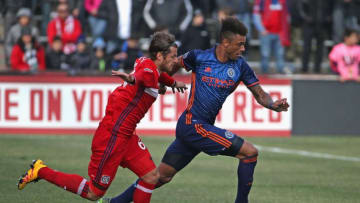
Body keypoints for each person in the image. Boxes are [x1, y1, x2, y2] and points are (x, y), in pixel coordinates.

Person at [103, 17, 290, 203]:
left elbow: (259, 93)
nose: (243, 49)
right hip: (193, 125)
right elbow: (169, 66)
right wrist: (159, 81)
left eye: (244, 45)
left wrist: (273, 105)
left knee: (160, 176)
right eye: (239, 44)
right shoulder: (198, 57)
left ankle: (115, 202)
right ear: (225, 42)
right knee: (249, 153)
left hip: (197, 128)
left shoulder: (240, 66)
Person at [17, 32, 188, 203]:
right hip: (112, 137)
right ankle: (40, 170)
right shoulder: (149, 72)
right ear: (159, 55)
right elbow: (142, 77)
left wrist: (172, 83)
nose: (175, 60)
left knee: (151, 177)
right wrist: (132, 78)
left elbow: (156, 76)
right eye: (172, 56)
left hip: (126, 135)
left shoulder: (147, 63)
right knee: (94, 193)